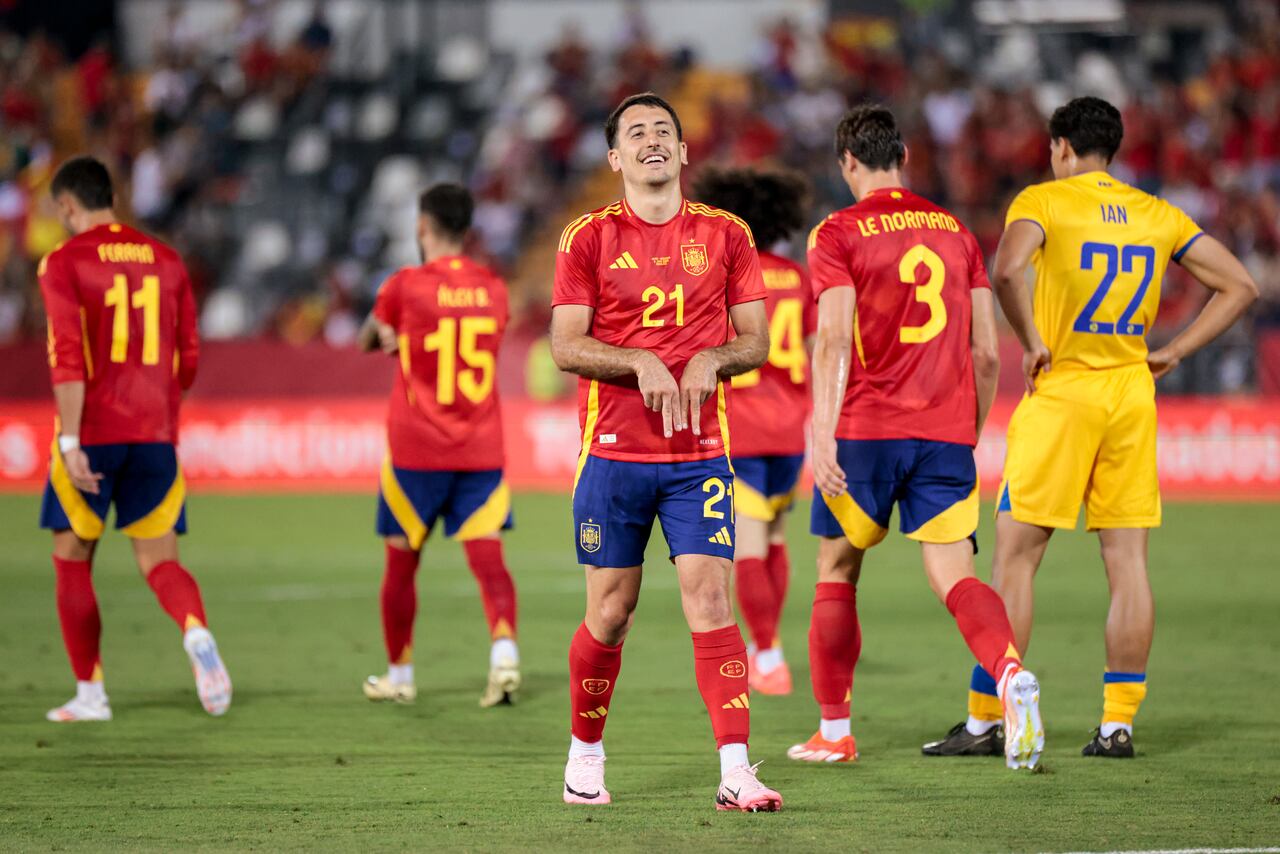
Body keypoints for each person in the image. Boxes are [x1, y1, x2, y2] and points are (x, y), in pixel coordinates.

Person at [923, 96, 1258, 759]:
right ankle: (1117, 726)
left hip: (1064, 392)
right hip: (1131, 394)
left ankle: (988, 721)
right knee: (1128, 562)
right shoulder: (1155, 213)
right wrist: (1176, 350)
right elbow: (1242, 285)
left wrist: (1031, 338)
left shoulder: (1042, 203)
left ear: (1062, 149)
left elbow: (1009, 268)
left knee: (1016, 558)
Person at [791, 104, 1043, 770]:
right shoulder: (957, 233)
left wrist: (821, 430)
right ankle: (1010, 673)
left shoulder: (837, 232)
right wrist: (965, 426)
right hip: (944, 434)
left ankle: (835, 731)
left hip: (866, 431)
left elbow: (836, 337)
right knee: (954, 575)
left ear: (848, 161)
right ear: (902, 156)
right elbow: (988, 353)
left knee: (837, 570)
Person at [550, 92, 781, 811]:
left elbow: (756, 340)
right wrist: (637, 361)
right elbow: (565, 344)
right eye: (636, 134)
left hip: (700, 457)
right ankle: (585, 753)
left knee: (712, 599)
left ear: (683, 153)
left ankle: (736, 769)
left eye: (664, 132)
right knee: (612, 612)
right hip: (614, 455)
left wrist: (715, 358)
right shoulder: (586, 238)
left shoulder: (727, 235)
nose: (652, 141)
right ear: (616, 158)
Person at [38, 155, 230, 722]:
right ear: (112, 197)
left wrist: (72, 442)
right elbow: (189, 357)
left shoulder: (64, 263)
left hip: (93, 431)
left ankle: (91, 694)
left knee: (72, 560)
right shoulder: (167, 261)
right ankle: (196, 634)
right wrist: (160, 408)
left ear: (68, 204)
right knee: (160, 561)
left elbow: (67, 358)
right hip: (155, 434)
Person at [358, 183, 521, 709]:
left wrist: (391, 336)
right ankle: (503, 657)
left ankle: (400, 675)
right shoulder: (494, 289)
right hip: (479, 449)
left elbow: (369, 337)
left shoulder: (403, 287)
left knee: (402, 564)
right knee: (489, 561)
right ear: (468, 229)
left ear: (421, 226)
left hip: (416, 452)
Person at [691, 166, 815, 696]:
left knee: (748, 548)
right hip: (790, 428)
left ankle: (766, 654)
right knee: (777, 537)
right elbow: (811, 349)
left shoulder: (725, 277)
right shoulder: (798, 276)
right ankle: (769, 646)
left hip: (741, 427)